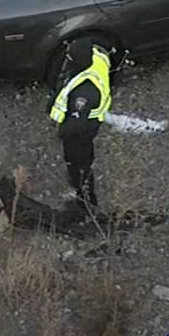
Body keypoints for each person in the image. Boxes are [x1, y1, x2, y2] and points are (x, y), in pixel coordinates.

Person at [48, 38, 111, 211]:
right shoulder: (96, 61)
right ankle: (83, 191)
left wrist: (62, 133)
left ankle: (86, 204)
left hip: (81, 133)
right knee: (84, 160)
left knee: (79, 165)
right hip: (89, 126)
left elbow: (75, 127)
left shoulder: (84, 92)